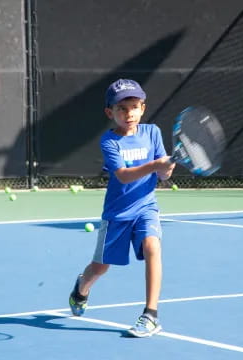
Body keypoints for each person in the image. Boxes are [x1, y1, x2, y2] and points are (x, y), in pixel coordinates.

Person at [69, 79, 175, 337]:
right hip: (117, 214)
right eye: (122, 109)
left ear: (142, 108)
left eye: (134, 107)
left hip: (146, 207)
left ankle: (151, 314)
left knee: (153, 246)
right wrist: (155, 165)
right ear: (110, 113)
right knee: (100, 267)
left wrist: (166, 168)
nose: (129, 114)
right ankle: (81, 288)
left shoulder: (152, 133)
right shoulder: (109, 141)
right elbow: (124, 176)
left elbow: (163, 177)